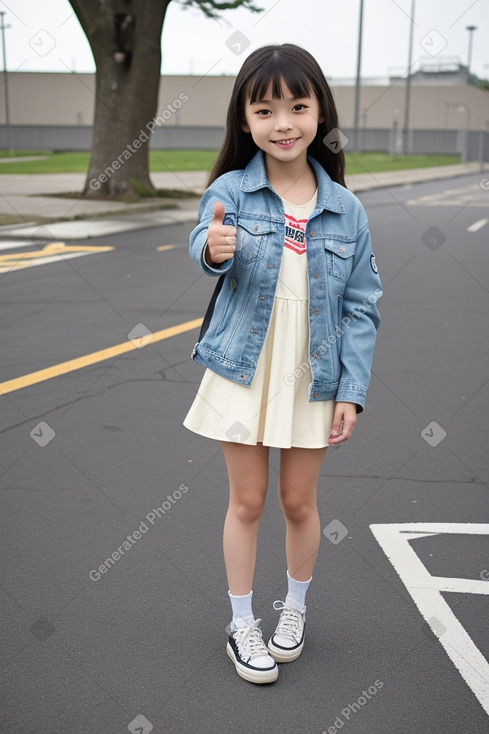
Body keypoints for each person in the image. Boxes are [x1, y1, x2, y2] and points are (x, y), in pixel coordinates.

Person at [183, 43, 382, 684]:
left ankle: (292, 609)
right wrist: (214, 249)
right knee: (248, 500)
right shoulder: (231, 193)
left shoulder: (346, 210)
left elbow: (361, 307)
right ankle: (242, 622)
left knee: (299, 501)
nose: (284, 122)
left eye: (298, 105)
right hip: (243, 365)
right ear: (245, 121)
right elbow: (204, 244)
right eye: (265, 110)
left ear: (319, 111)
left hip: (314, 373)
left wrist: (351, 389)